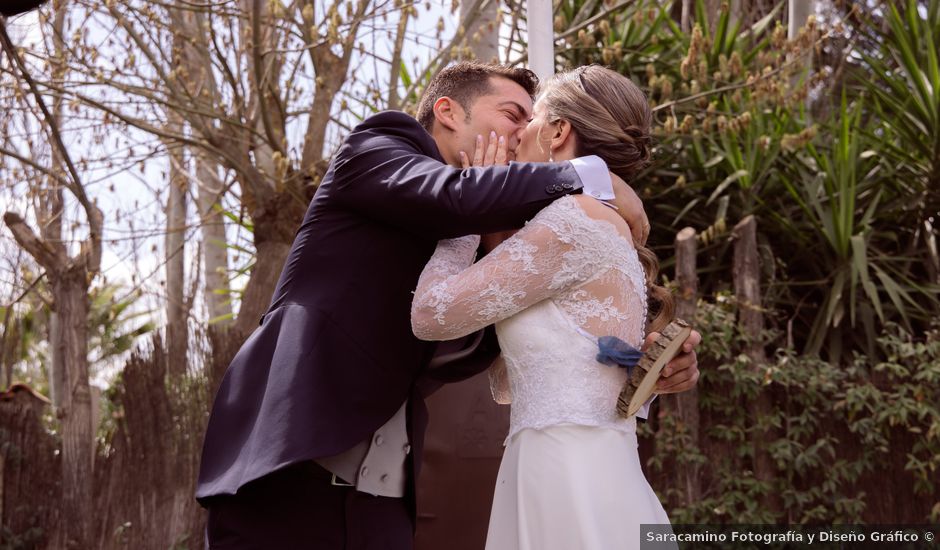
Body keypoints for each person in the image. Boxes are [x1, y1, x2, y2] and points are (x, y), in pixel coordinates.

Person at [197, 61, 700, 550]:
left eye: (531, 119)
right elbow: (451, 199)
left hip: (383, 499)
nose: (521, 132)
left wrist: (641, 365)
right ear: (449, 112)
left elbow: (494, 345)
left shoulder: (539, 228)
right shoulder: (380, 147)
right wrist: (592, 174)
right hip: (290, 467)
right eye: (511, 115)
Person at [411, 65, 679, 550]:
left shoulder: (574, 220)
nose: (518, 136)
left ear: (558, 132)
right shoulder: (600, 223)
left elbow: (431, 315)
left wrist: (469, 210)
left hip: (564, 471)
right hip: (586, 463)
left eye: (532, 120)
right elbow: (551, 367)